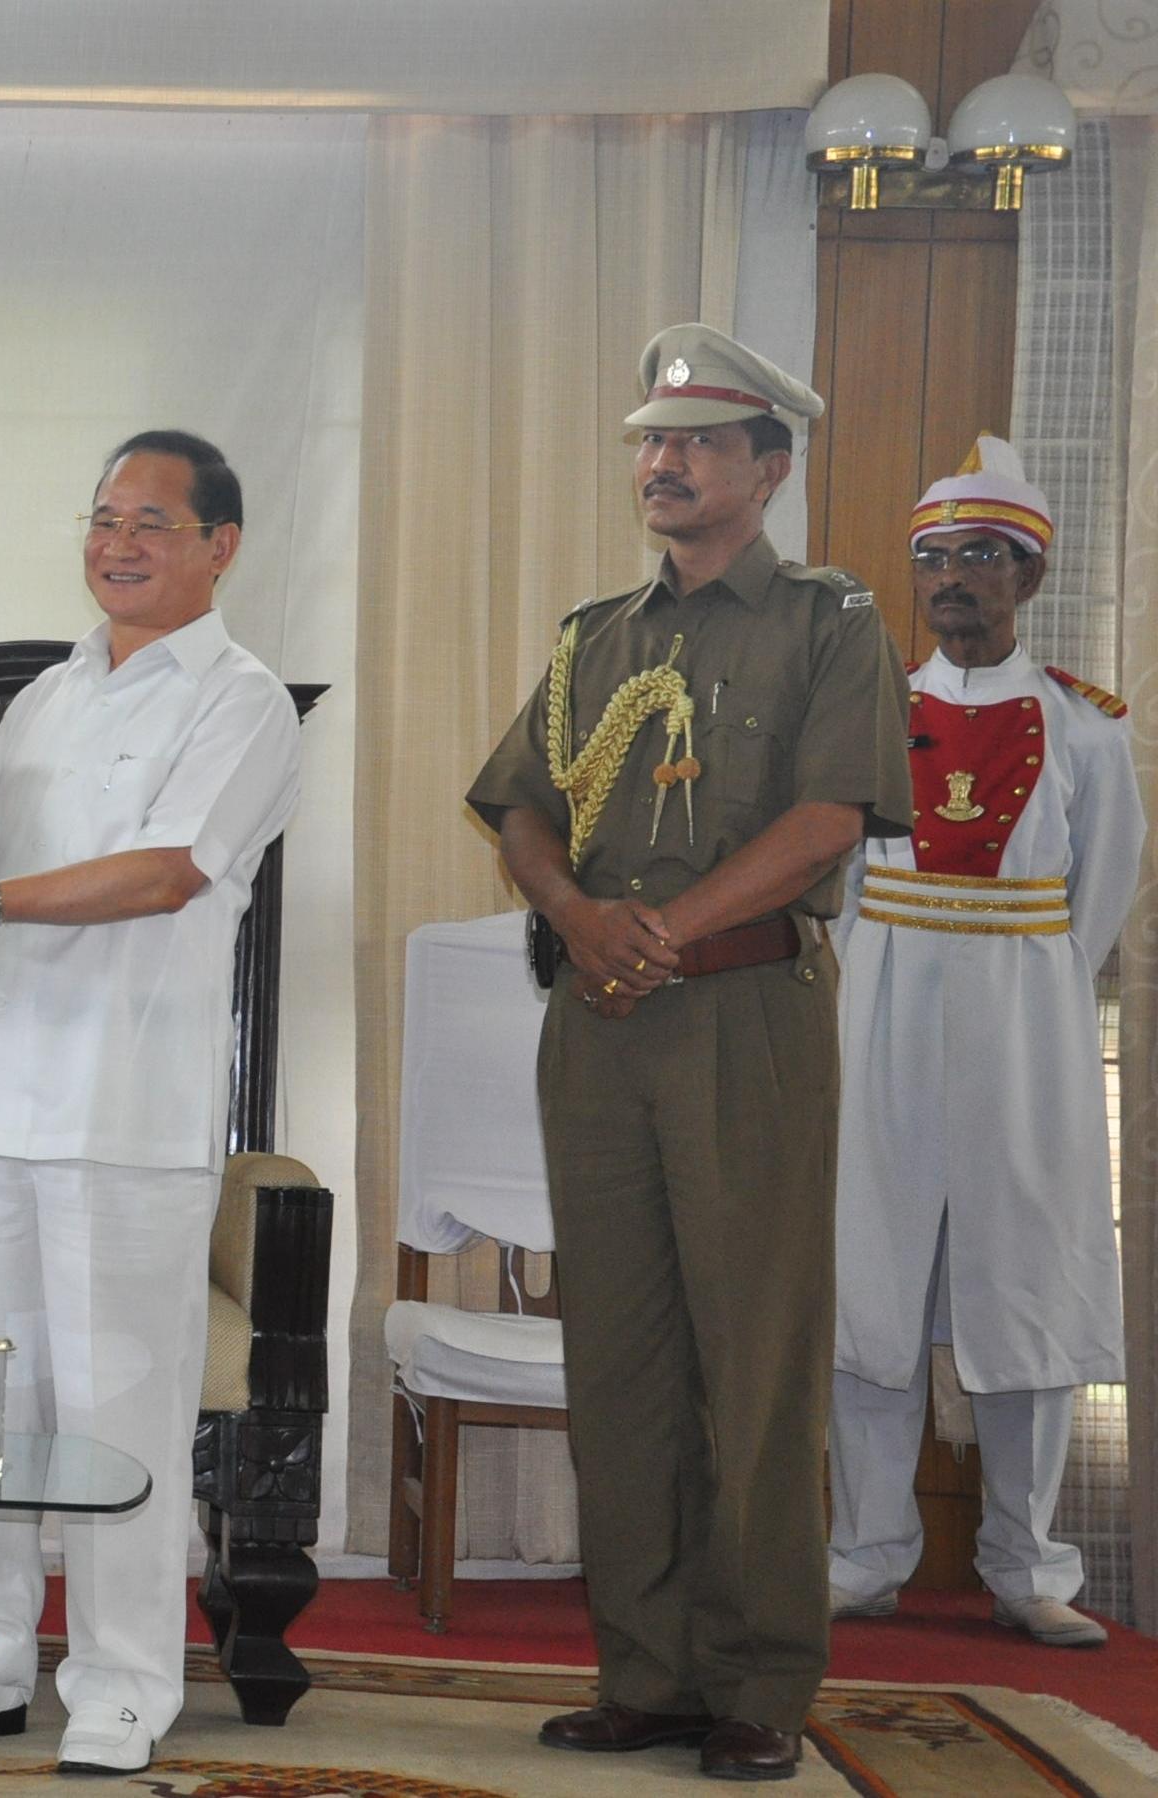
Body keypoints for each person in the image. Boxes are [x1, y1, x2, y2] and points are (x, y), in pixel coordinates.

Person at [466, 323, 910, 1782]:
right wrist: (581, 915)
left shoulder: (831, 621)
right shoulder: (600, 635)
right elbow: (523, 804)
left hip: (742, 1018)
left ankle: (761, 1679)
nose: (663, 464)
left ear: (768, 468)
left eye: (700, 441)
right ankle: (644, 1670)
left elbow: (829, 818)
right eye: (653, 442)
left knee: (756, 1353)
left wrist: (659, 931)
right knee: (625, 1357)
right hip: (600, 1025)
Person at [0, 430, 302, 1776]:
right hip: (2, 1091)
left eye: (152, 522)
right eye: (104, 517)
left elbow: (166, 875)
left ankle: (122, 1682)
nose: (119, 542)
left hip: (129, 1104)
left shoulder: (241, 698)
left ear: (220, 544)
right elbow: (28, 867)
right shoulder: (50, 694)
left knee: (119, 1407)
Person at [826, 439, 1136, 1651]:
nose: (954, 577)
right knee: (872, 1284)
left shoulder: (1091, 731)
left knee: (1027, 1293)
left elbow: (1097, 896)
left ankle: (1029, 1563)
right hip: (885, 1009)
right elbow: (840, 881)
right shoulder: (868, 712)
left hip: (1027, 1031)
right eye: (936, 559)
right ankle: (861, 1552)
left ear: (1026, 575)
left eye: (981, 558)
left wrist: (1024, 992)